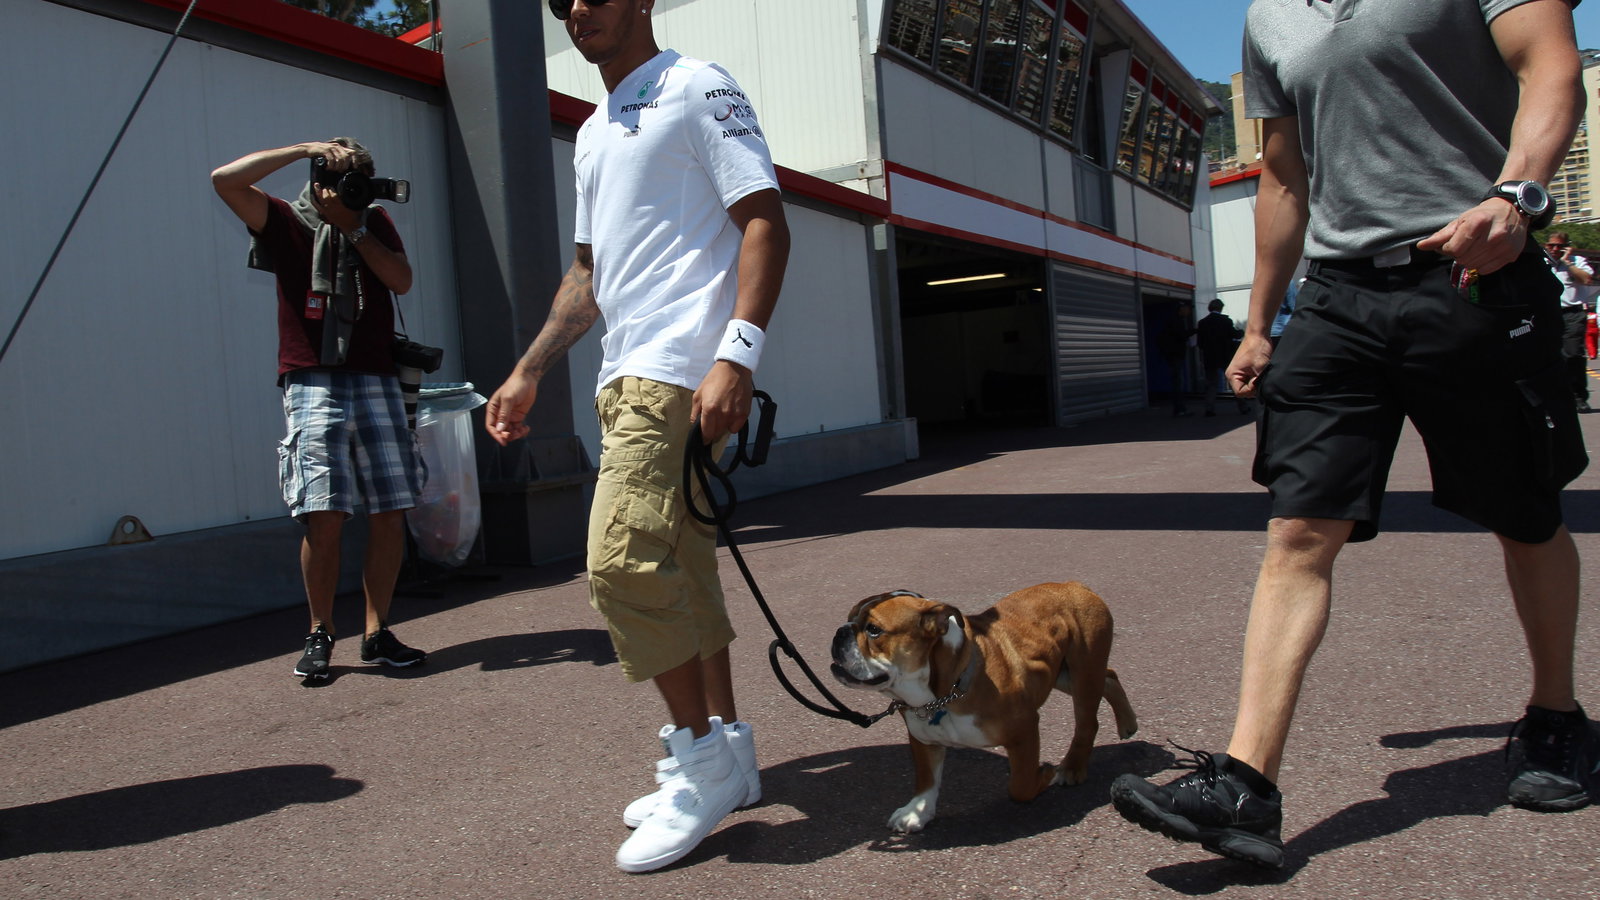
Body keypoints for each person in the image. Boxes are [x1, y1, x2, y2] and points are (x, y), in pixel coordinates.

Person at [1110, 0, 1595, 871]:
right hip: (1337, 297)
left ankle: (1556, 716)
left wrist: (1515, 196)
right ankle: (1246, 785)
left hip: (1472, 269)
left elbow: (1551, 66)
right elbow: (1285, 174)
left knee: (1523, 512)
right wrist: (1259, 325)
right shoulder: (1270, 18)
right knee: (1299, 527)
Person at [484, 0, 789, 874]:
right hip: (623, 377)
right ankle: (727, 753)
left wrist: (737, 354)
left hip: (679, 373)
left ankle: (701, 766)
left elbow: (765, 218)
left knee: (621, 566)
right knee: (681, 566)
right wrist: (532, 367)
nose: (579, 8)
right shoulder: (591, 132)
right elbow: (590, 271)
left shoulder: (696, 88)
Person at [212, 139, 428, 682]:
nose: (343, 187)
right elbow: (225, 180)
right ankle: (320, 631)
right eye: (332, 176)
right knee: (324, 511)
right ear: (314, 179)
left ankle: (377, 632)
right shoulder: (286, 221)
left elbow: (401, 280)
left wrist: (353, 224)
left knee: (390, 508)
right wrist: (304, 148)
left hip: (375, 374)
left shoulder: (372, 221)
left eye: (354, 177)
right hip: (312, 379)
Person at [1544, 231, 1594, 410]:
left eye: (1560, 246)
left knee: (1572, 354)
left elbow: (1587, 279)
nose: (1555, 249)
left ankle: (1578, 395)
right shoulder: (1541, 263)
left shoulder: (1577, 261)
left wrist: (1567, 262)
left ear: (1567, 247)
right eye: (1552, 245)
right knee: (1549, 356)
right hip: (1548, 313)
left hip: (1572, 314)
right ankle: (1554, 395)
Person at [1196, 299, 1248, 416]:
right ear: (1221, 308)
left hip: (1209, 357)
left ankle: (1209, 408)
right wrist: (1242, 331)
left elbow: (1200, 343)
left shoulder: (1202, 323)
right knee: (1233, 381)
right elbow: (1235, 334)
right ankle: (1243, 407)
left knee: (1211, 383)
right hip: (1225, 356)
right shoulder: (1226, 321)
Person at [1156, 302, 1194, 416]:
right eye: (1187, 309)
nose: (1189, 312)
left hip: (1173, 355)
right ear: (1181, 309)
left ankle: (1180, 408)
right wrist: (1194, 331)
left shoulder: (1175, 321)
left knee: (1178, 381)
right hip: (1175, 355)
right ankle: (1179, 409)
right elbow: (1181, 335)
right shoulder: (1176, 321)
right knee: (1178, 381)